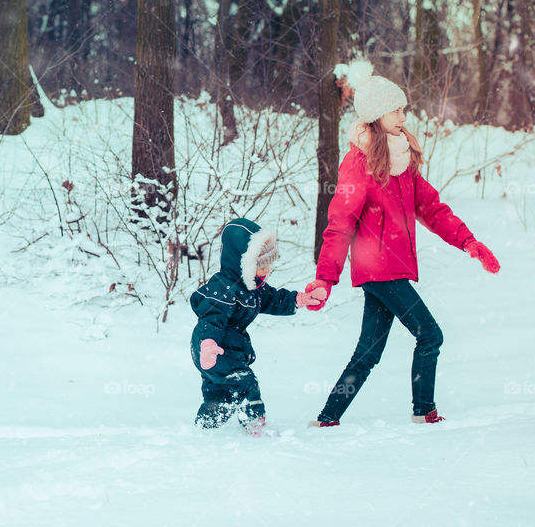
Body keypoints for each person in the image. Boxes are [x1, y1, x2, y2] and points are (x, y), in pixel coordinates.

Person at [306, 60, 501, 427]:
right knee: (430, 334)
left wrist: (468, 242)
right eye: (396, 110)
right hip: (379, 268)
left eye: (403, 108)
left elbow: (432, 208)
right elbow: (340, 222)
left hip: (390, 269)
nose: (403, 116)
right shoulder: (358, 163)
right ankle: (423, 411)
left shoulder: (403, 158)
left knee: (368, 352)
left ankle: (327, 418)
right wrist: (324, 278)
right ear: (377, 115)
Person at [190, 218, 327, 436]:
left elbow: (274, 299)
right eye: (261, 265)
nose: (267, 270)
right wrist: (209, 344)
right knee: (245, 382)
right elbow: (211, 319)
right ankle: (254, 423)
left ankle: (205, 428)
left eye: (268, 264)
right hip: (213, 347)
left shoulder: (253, 287)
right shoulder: (222, 288)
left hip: (227, 350)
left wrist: (301, 299)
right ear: (243, 262)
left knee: (220, 394)